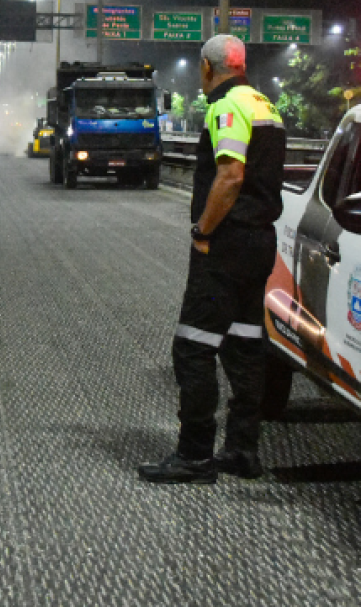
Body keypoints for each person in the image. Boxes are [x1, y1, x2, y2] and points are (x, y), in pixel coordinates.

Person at [138, 34, 286, 484]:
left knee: (194, 346)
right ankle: (242, 450)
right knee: (245, 345)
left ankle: (195, 455)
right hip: (260, 242)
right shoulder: (265, 105)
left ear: (207, 66)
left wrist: (203, 230)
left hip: (226, 245)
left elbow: (230, 176)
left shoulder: (227, 107)